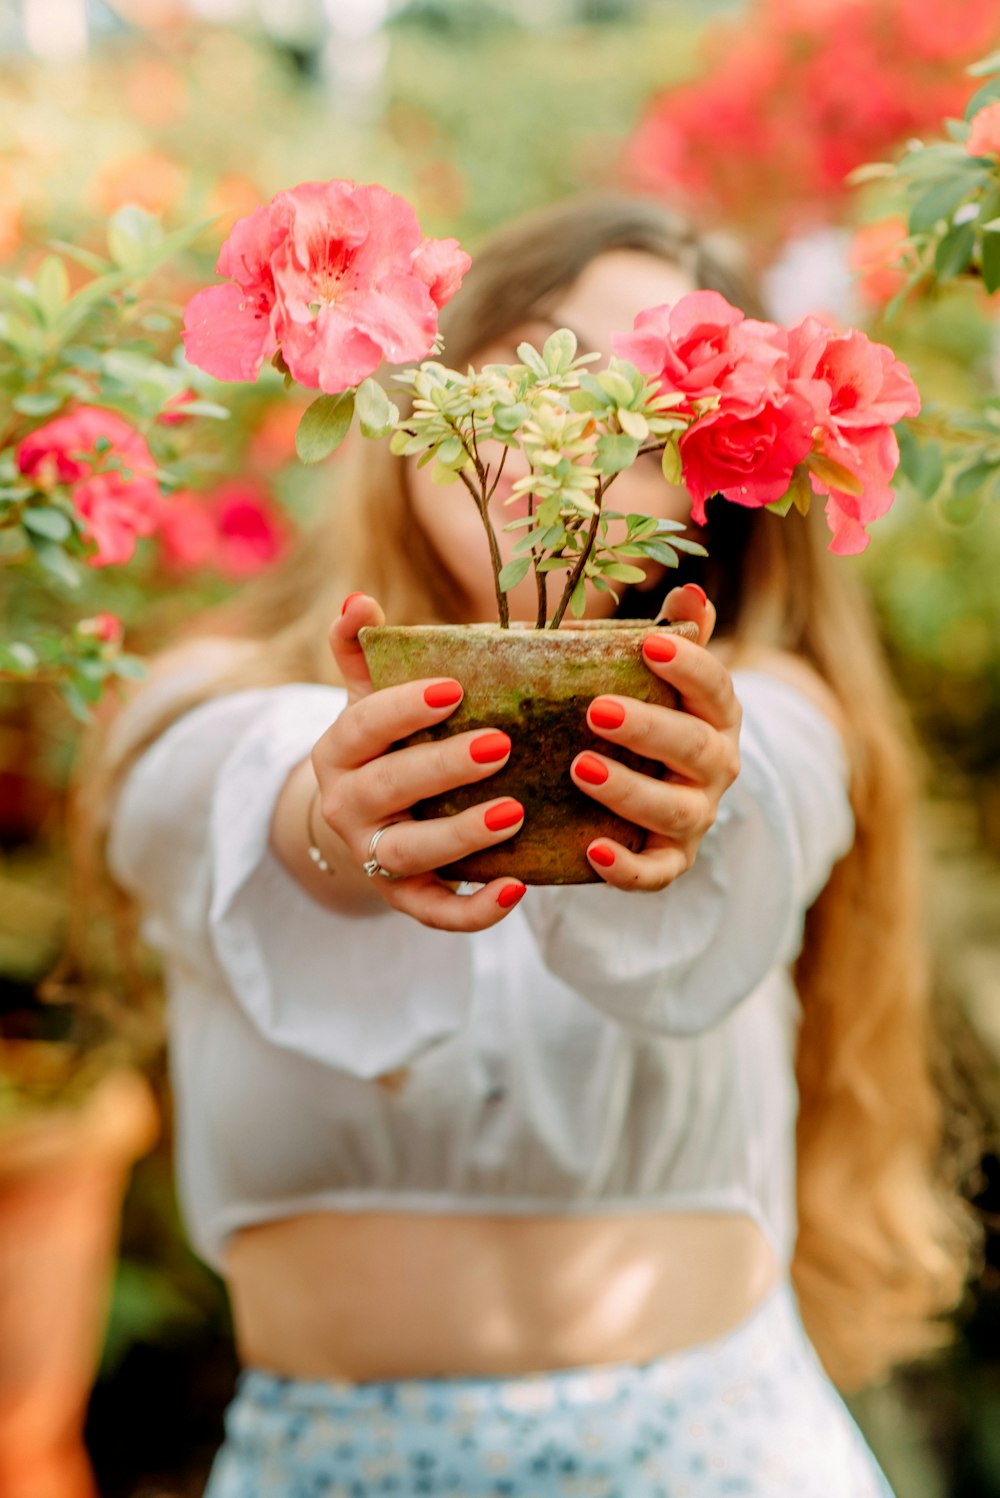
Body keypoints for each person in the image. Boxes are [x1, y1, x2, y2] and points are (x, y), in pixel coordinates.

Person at [94, 196, 972, 1497]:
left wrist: (687, 790)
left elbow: (770, 790)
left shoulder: (773, 711)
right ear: (433, 382)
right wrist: (330, 816)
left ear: (715, 477)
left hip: (716, 1453)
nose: (586, 423)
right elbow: (213, 793)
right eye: (552, 356)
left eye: (654, 401)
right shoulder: (211, 709)